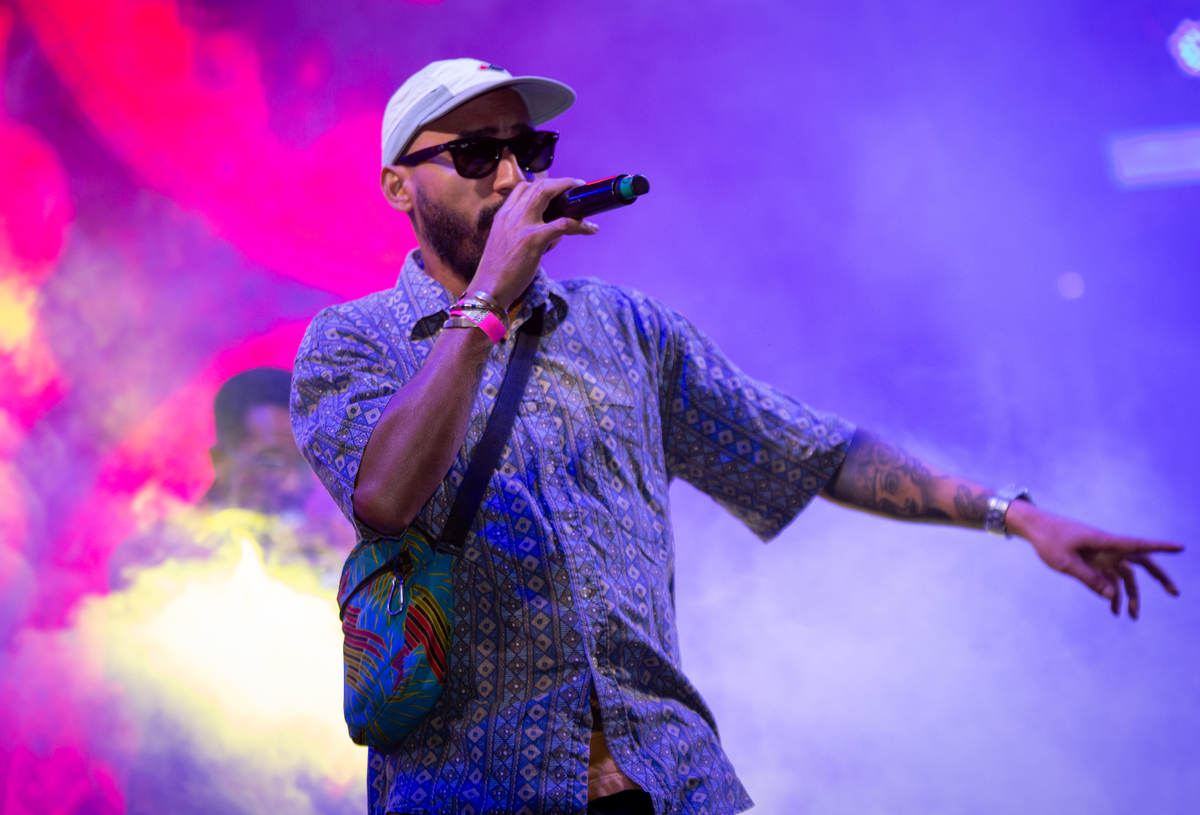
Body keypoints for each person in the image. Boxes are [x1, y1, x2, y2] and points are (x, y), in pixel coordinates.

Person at [289, 59, 1182, 815]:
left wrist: (1013, 514)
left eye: (531, 151)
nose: (513, 177)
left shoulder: (627, 329)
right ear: (399, 186)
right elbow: (386, 495)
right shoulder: (353, 340)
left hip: (672, 781)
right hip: (475, 789)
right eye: (477, 155)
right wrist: (486, 298)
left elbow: (812, 450)